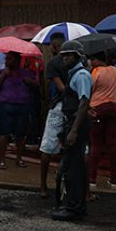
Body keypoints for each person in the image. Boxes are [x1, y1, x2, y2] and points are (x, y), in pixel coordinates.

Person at [52, 40, 92, 221]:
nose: (65, 58)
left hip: (77, 124)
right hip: (72, 122)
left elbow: (84, 103)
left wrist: (74, 131)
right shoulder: (73, 74)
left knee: (73, 167)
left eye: (68, 55)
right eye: (63, 55)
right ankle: (75, 204)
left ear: (77, 56)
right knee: (73, 165)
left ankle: (74, 207)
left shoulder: (81, 75)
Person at [0, 51, 38, 170]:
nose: (6, 61)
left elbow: (37, 86)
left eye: (9, 59)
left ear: (17, 60)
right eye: (6, 59)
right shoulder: (0, 72)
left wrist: (30, 82)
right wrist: (3, 75)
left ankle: (19, 158)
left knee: (21, 134)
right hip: (5, 105)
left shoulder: (27, 73)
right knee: (3, 133)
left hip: (22, 105)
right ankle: (2, 159)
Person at [39, 32, 68, 198]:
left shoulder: (53, 63)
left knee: (47, 148)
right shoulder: (79, 62)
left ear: (55, 46)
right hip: (75, 107)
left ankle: (43, 186)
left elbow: (59, 88)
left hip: (58, 107)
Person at [87, 51, 116, 191]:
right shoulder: (115, 70)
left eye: (92, 59)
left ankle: (92, 179)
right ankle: (113, 180)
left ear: (97, 60)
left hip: (97, 108)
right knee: (112, 144)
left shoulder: (96, 71)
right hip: (113, 107)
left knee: (95, 145)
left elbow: (90, 89)